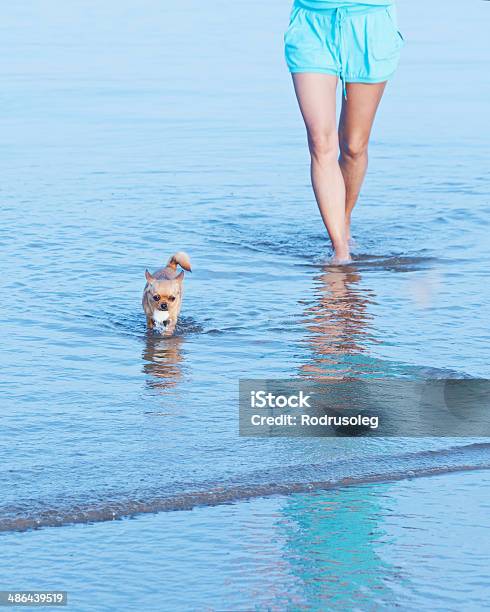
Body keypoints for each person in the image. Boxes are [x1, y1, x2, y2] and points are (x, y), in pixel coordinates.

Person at [284, 0, 404, 263]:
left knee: (354, 145)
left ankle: (344, 219)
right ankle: (340, 250)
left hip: (370, 24)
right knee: (320, 142)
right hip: (313, 22)